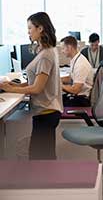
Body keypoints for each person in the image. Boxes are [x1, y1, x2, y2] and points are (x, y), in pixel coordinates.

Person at [0, 12, 63, 160]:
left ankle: (46, 182)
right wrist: (17, 84)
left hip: (46, 112)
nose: (28, 32)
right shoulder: (47, 51)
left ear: (40, 28)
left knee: (39, 158)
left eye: (30, 28)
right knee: (43, 156)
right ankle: (46, 181)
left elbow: (37, 88)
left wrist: (11, 89)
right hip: (47, 111)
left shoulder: (46, 55)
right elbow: (37, 82)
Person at [61, 36, 94, 107]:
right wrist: (58, 79)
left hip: (81, 100)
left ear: (69, 48)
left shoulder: (80, 64)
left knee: (55, 106)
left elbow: (75, 90)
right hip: (77, 96)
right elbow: (72, 78)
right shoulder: (75, 59)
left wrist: (59, 85)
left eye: (63, 48)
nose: (62, 51)